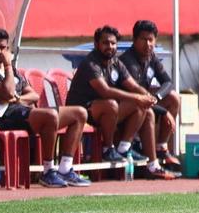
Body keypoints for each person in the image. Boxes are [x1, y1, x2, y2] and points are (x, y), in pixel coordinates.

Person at [0, 28, 90, 187]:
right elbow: (7, 91)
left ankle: (65, 169)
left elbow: (33, 95)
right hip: (3, 118)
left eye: (3, 47)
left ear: (8, 48)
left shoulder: (13, 70)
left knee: (80, 113)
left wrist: (17, 99)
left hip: (21, 111)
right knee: (50, 116)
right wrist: (7, 64)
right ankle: (48, 172)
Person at [65, 25, 175, 179]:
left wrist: (153, 103)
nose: (110, 47)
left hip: (107, 112)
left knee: (144, 108)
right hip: (82, 111)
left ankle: (130, 152)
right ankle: (108, 149)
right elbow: (105, 91)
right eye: (105, 43)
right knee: (113, 104)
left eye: (113, 43)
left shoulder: (116, 62)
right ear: (97, 44)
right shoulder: (91, 63)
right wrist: (140, 98)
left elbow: (134, 86)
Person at [119, 20, 182, 174]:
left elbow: (168, 82)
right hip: (126, 108)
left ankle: (161, 147)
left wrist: (157, 97)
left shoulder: (151, 57)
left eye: (151, 40)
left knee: (174, 97)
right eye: (143, 39)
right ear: (134, 40)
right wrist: (163, 111)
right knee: (148, 111)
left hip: (144, 102)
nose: (148, 44)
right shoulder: (128, 61)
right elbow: (137, 96)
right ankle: (153, 165)